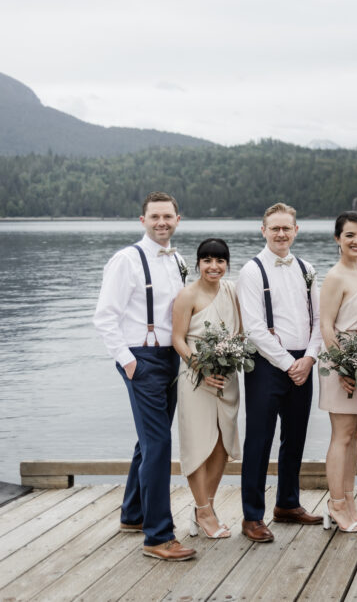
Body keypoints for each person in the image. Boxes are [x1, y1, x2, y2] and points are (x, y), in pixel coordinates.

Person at [93, 191, 196, 561]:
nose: (161, 222)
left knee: (149, 442)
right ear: (143, 220)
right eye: (154, 217)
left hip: (172, 358)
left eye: (168, 216)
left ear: (177, 220)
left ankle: (133, 515)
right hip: (142, 359)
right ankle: (157, 536)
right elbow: (105, 316)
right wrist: (128, 361)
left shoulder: (180, 260)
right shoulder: (126, 260)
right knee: (158, 447)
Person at [237, 202, 323, 543]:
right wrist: (289, 363)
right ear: (263, 230)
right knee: (259, 440)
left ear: (296, 230)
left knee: (295, 436)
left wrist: (311, 358)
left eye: (287, 227)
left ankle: (288, 502)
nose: (281, 233)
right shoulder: (252, 271)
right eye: (275, 228)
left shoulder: (307, 268)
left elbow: (318, 320)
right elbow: (255, 328)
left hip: (304, 362)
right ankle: (252, 515)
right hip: (267, 364)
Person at [171, 238, 243, 540]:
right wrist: (201, 368)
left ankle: (207, 507)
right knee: (197, 445)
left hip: (226, 377)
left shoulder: (232, 291)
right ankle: (202, 510)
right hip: (195, 377)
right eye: (207, 260)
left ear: (227, 264)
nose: (214, 267)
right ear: (198, 263)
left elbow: (240, 331)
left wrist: (229, 360)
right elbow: (178, 339)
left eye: (220, 261)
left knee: (220, 444)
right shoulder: (187, 295)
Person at [318, 212, 357, 533]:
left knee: (354, 436)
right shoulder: (335, 277)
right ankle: (336, 504)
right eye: (350, 236)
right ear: (337, 239)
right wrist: (342, 365)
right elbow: (326, 325)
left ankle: (349, 499)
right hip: (340, 365)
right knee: (341, 436)